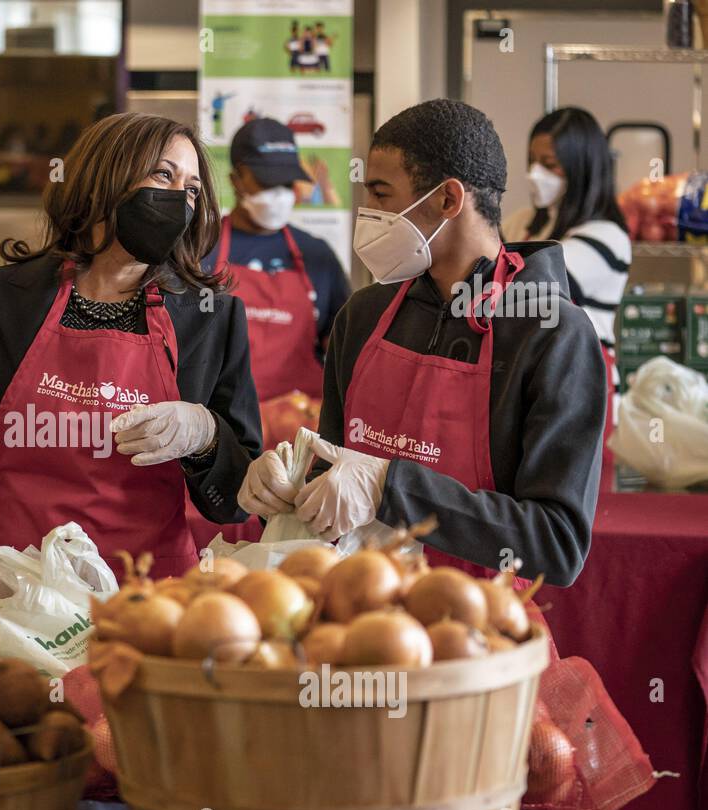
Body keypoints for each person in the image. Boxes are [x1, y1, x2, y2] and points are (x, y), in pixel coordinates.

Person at [0, 112, 262, 591]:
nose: (180, 200)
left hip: (143, 595)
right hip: (6, 591)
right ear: (105, 179)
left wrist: (206, 436)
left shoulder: (211, 318)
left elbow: (234, 501)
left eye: (191, 189)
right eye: (163, 175)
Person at [239, 99, 606, 587]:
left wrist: (389, 486)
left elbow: (556, 545)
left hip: (478, 639)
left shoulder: (552, 333)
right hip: (354, 618)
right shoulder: (364, 316)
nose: (367, 214)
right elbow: (329, 483)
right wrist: (284, 491)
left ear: (448, 200)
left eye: (381, 194)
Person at [502, 107, 631, 441]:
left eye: (550, 165)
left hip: (582, 383)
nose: (534, 173)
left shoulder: (606, 237)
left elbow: (525, 290)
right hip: (526, 379)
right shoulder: (522, 221)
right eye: (532, 160)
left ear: (581, 168)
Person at [204, 118, 351, 401]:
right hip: (221, 427)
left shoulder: (317, 255)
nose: (280, 194)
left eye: (286, 183)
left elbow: (343, 351)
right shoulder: (201, 249)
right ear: (236, 180)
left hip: (300, 431)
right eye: (267, 182)